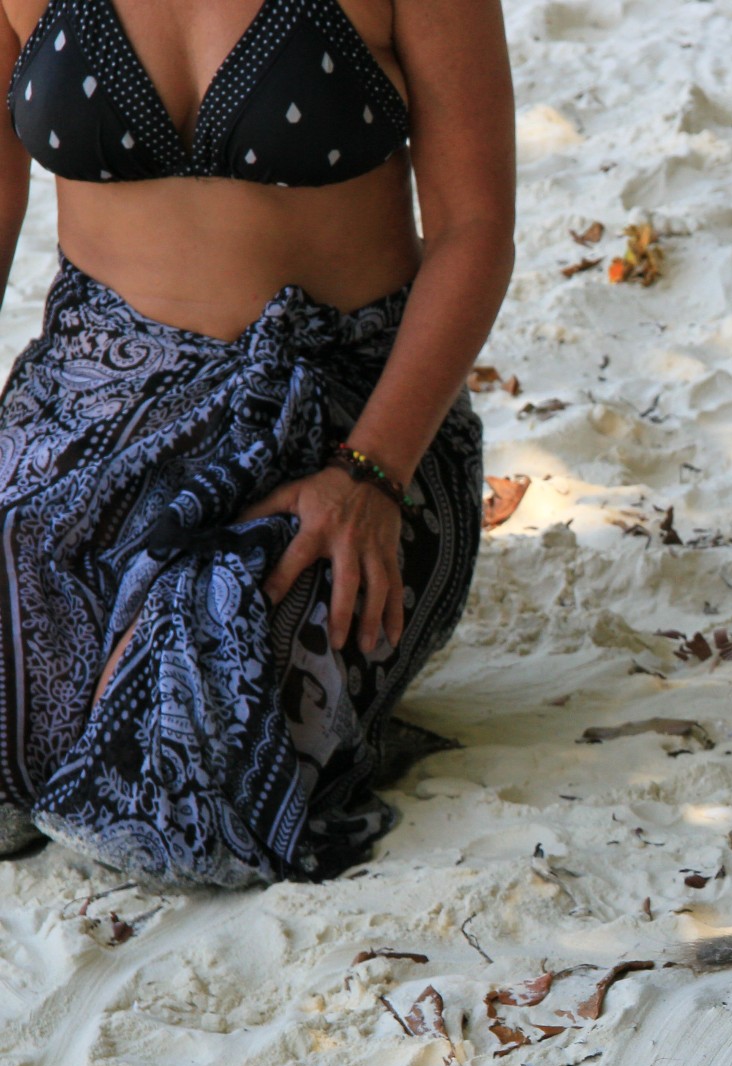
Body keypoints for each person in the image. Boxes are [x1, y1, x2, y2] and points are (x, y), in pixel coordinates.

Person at [0, 0, 513, 886]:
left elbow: (476, 230)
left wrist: (372, 475)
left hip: (342, 422)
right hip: (82, 413)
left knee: (192, 743)